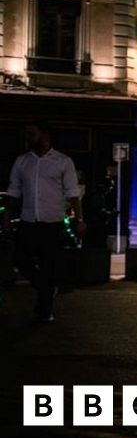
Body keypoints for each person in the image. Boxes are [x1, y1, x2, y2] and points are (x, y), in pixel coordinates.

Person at [2, 121, 84, 322]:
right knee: (20, 259)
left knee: (49, 265)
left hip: (52, 221)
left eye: (32, 134)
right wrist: (6, 215)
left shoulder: (63, 162)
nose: (28, 137)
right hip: (28, 219)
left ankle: (44, 308)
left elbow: (72, 193)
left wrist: (79, 219)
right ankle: (46, 288)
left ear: (45, 135)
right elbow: (13, 190)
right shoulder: (22, 161)